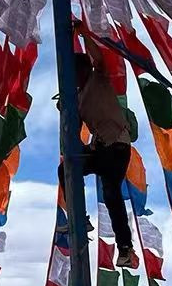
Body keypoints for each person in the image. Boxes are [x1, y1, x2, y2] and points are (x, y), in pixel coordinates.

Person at [58, 44, 138, 269]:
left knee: (111, 193)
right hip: (100, 148)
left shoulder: (97, 79)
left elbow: (99, 59)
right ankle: (79, 217)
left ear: (83, 70)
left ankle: (124, 247)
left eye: (73, 72)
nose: (71, 77)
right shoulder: (78, 97)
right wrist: (66, 111)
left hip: (117, 147)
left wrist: (83, 33)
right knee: (66, 168)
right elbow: (74, 131)